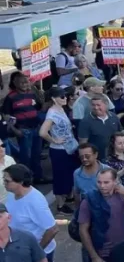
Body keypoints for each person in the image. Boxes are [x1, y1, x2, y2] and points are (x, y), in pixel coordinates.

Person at [38, 86, 78, 214]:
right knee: (61, 177)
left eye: (65, 96)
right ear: (54, 99)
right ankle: (60, 205)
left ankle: (68, 197)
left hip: (69, 147)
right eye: (62, 96)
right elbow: (42, 132)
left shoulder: (60, 109)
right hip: (59, 150)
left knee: (69, 174)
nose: (65, 98)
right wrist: (54, 140)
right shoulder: (52, 114)